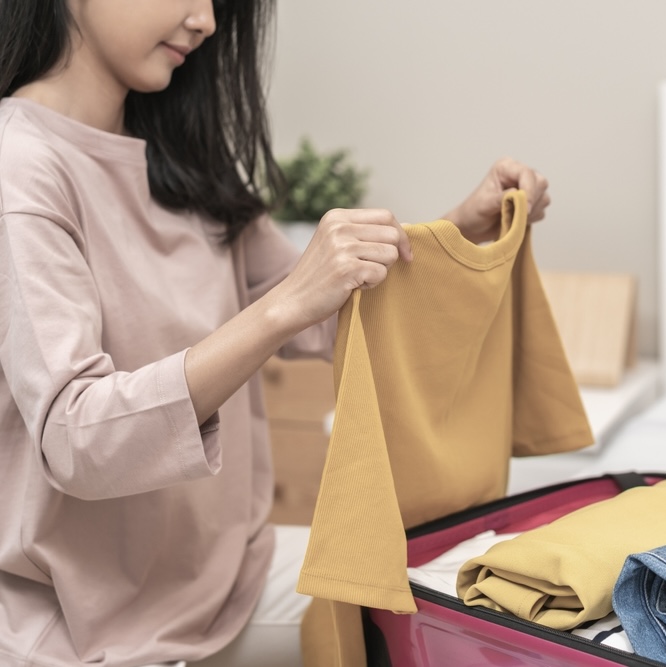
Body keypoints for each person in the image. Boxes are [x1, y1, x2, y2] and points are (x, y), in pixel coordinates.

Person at [0, 0, 552, 665]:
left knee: (461, 609)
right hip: (80, 627)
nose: (206, 21)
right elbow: (78, 437)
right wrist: (283, 305)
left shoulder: (183, 159)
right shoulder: (20, 167)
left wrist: (463, 230)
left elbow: (326, 314)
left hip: (232, 576)